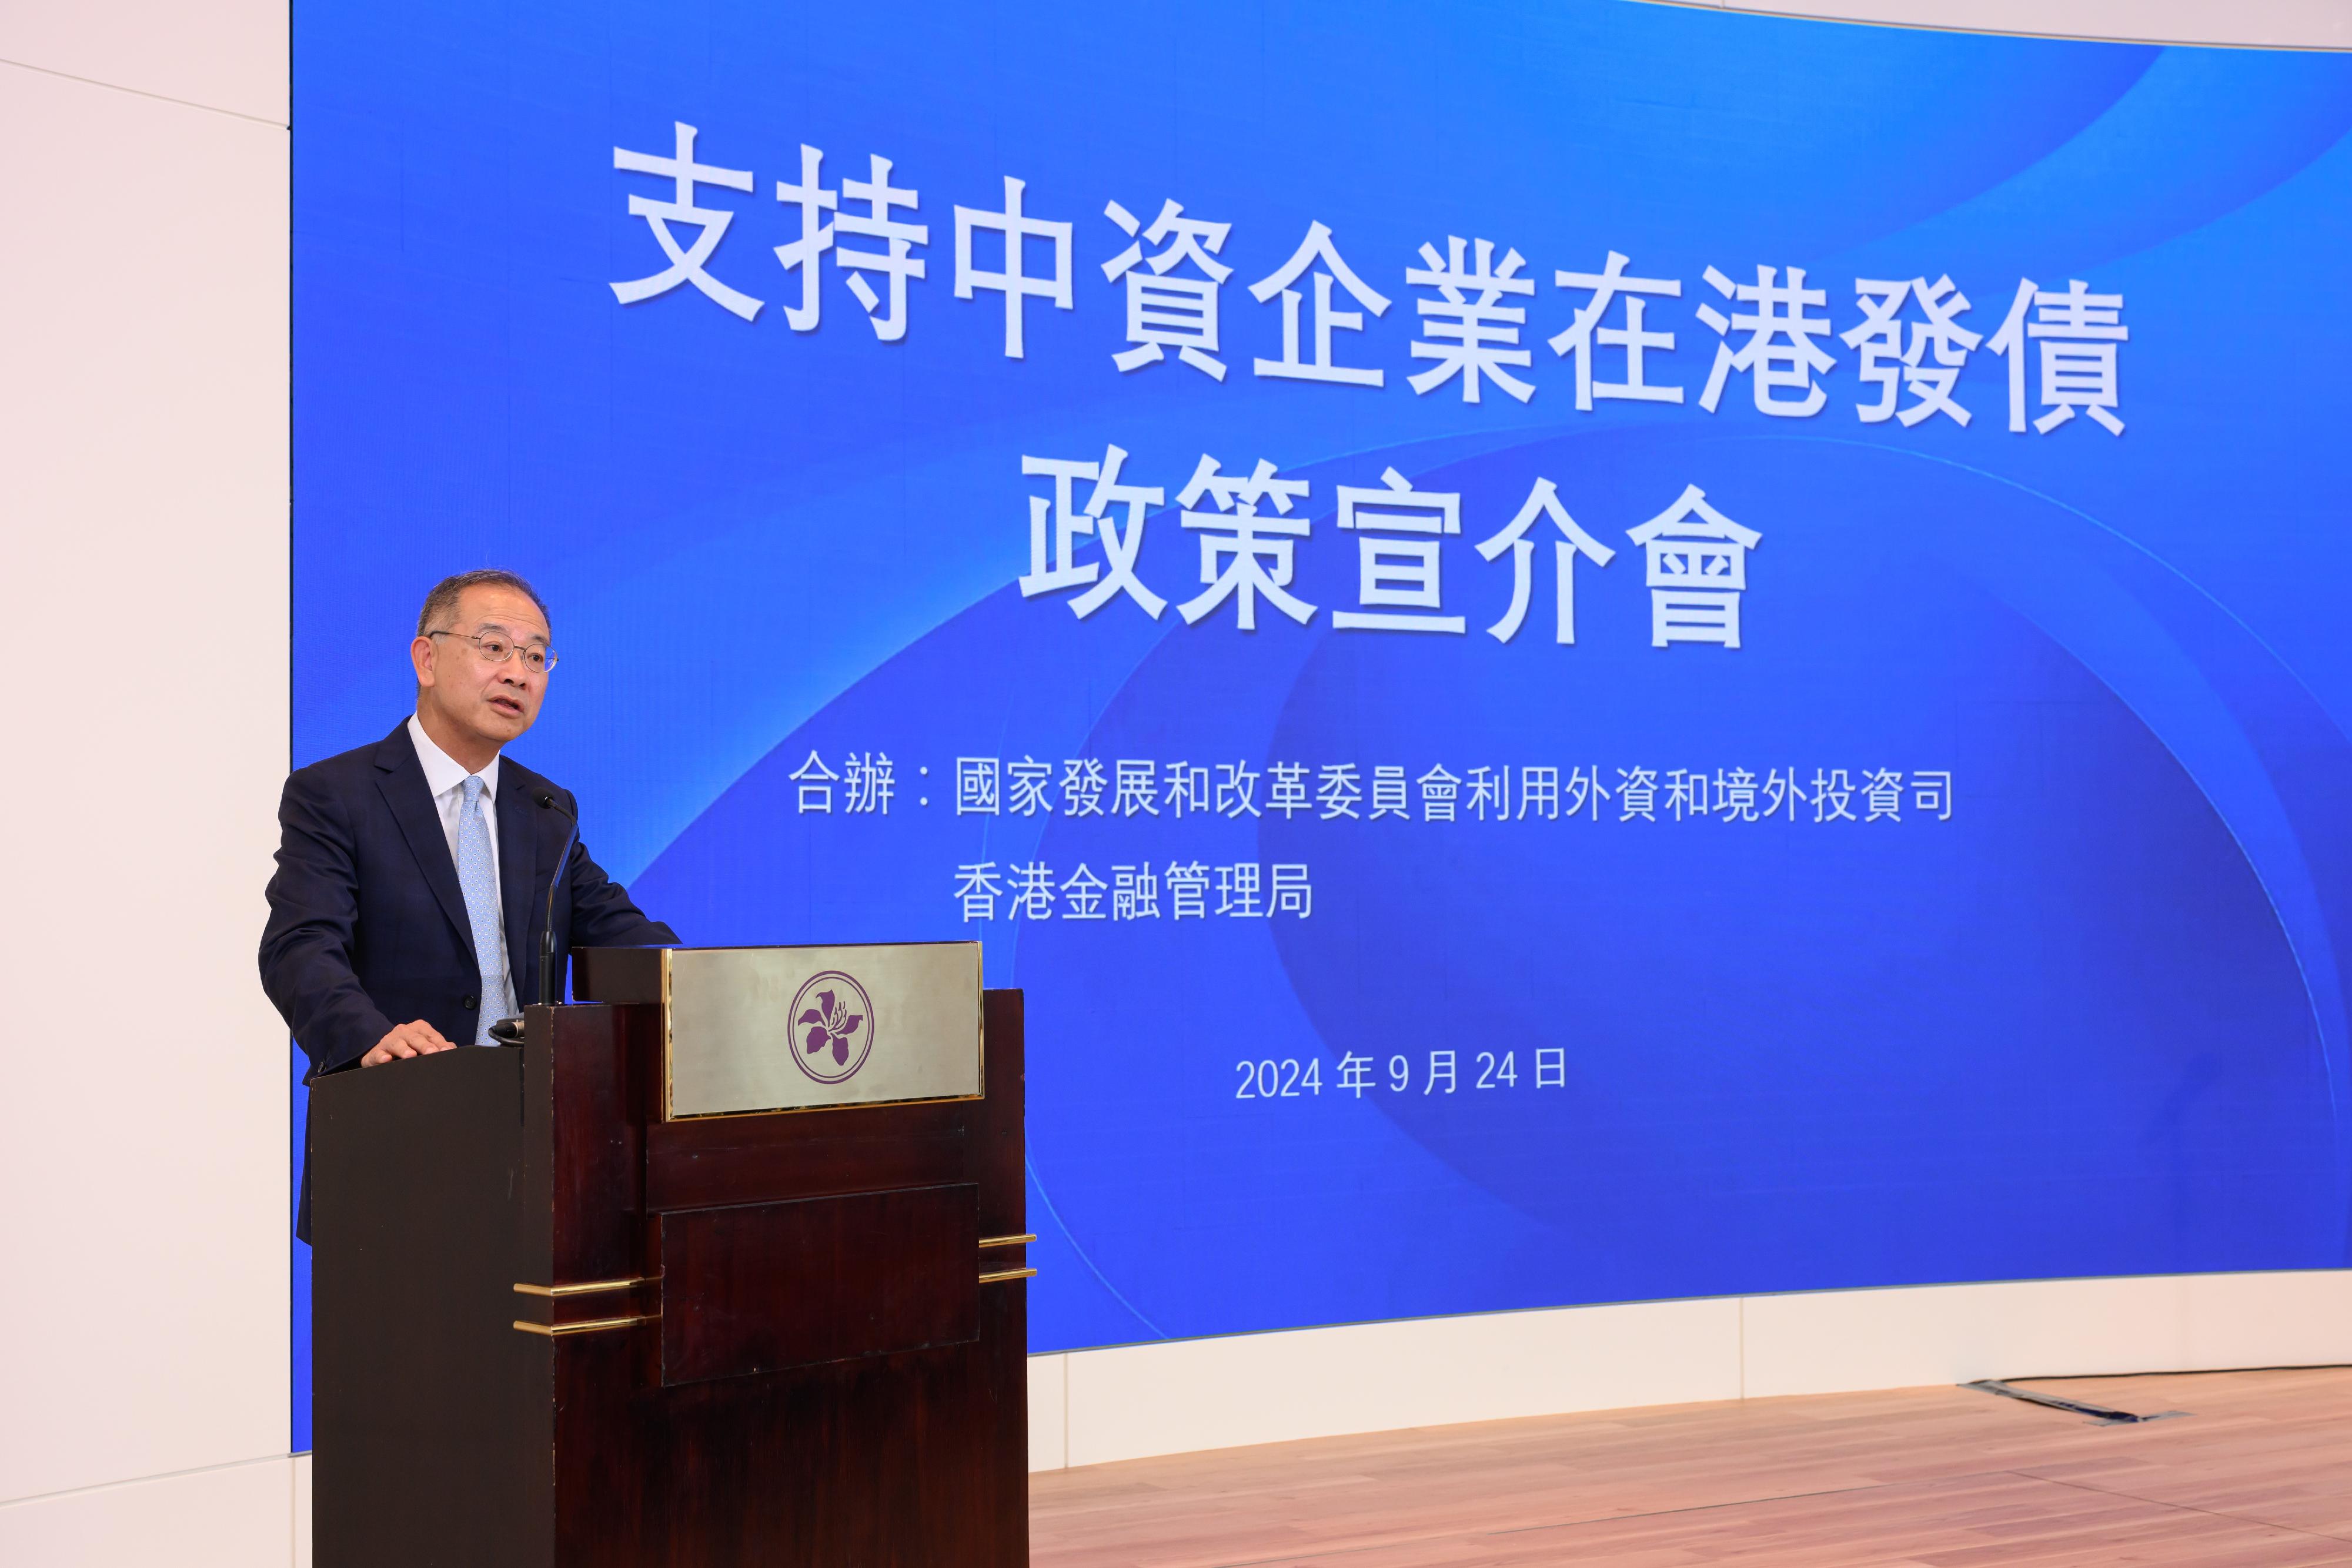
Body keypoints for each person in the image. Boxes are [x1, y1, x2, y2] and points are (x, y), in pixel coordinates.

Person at [261, 569, 677, 1233]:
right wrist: (371, 1035)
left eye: (537, 657)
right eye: (494, 648)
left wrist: (704, 983)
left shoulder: (545, 809)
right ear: (427, 658)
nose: (519, 673)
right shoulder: (335, 795)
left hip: (537, 1152)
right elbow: (299, 948)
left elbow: (616, 931)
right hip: (395, 1138)